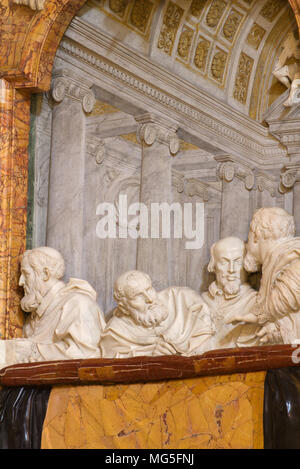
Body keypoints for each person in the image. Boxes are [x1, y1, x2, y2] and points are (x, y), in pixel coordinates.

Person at [0, 247, 106, 366]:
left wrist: (33, 350)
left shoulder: (78, 303)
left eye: (26, 274)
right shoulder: (34, 316)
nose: (21, 282)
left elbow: (86, 356)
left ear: (45, 274)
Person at [99, 270, 214, 358]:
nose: (149, 299)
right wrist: (148, 354)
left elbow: (209, 339)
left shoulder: (182, 300)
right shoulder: (115, 333)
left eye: (149, 289)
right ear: (124, 307)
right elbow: (113, 363)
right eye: (138, 296)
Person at [226, 208, 300, 344]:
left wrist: (260, 315)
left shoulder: (293, 258)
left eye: (248, 236)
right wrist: (281, 329)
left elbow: (290, 292)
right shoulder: (277, 261)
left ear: (255, 236)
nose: (247, 245)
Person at [202, 237, 260, 348]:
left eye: (238, 262)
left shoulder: (256, 303)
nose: (232, 269)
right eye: (224, 262)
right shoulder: (202, 302)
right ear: (214, 265)